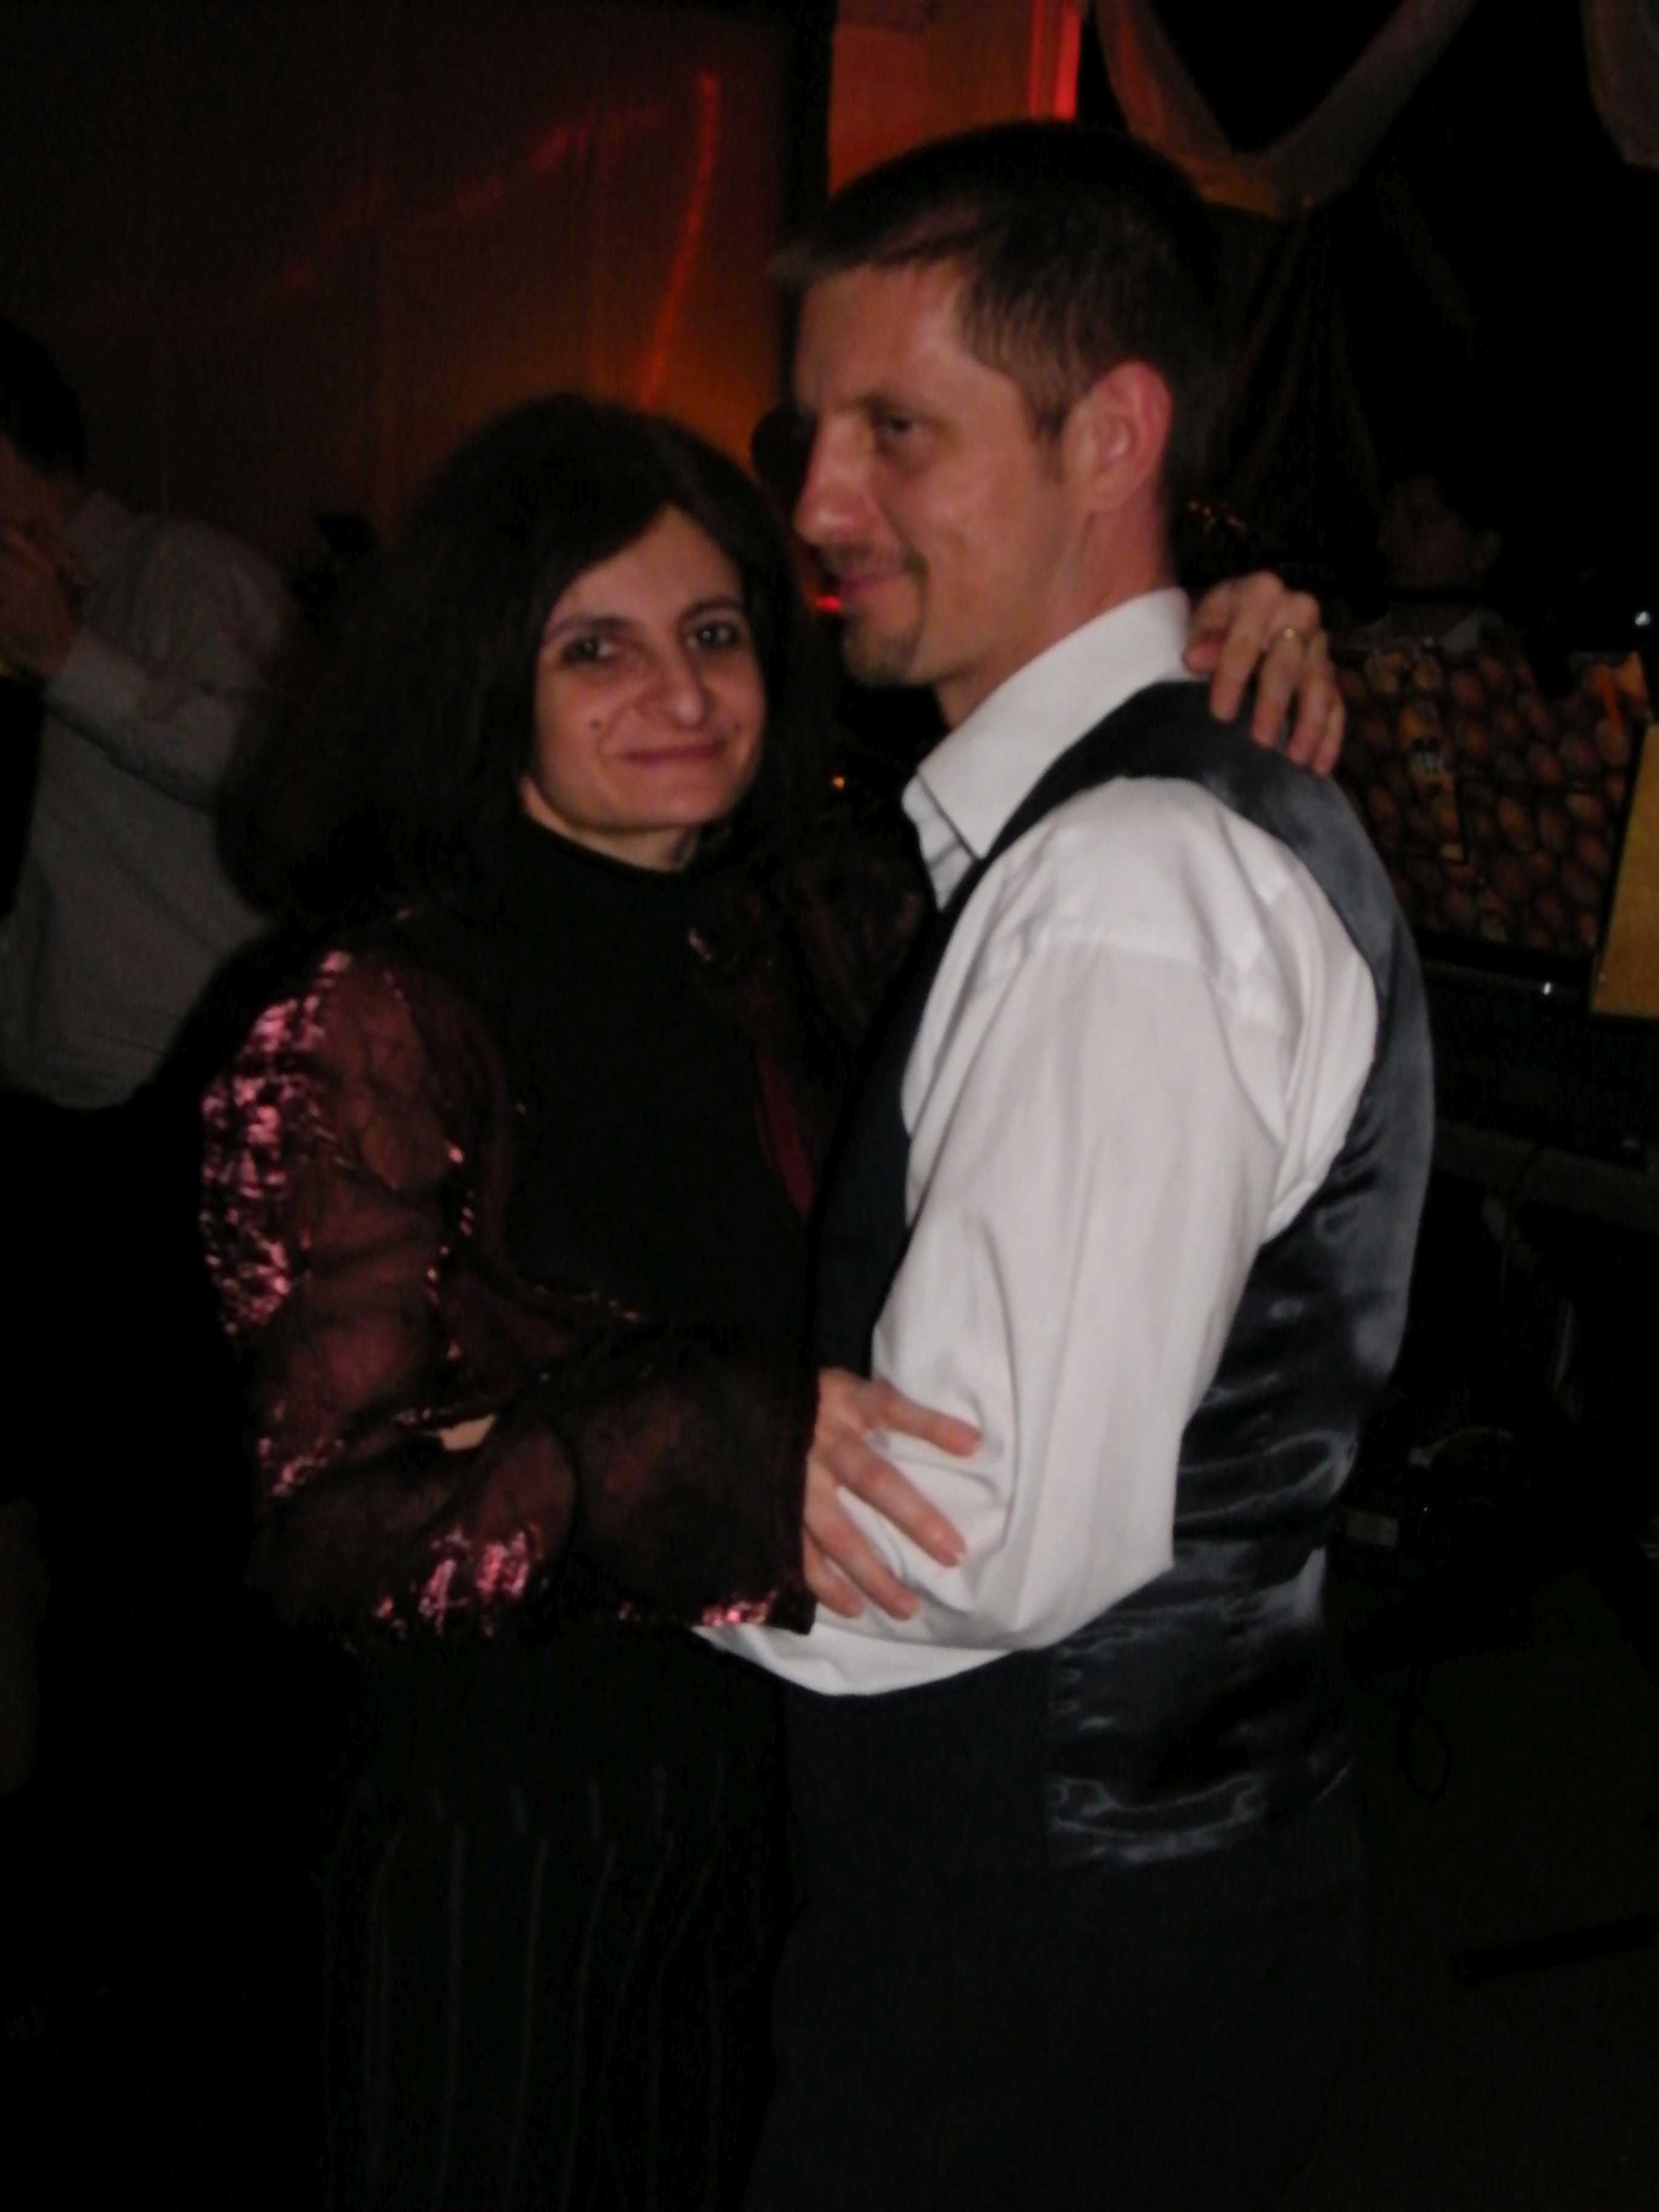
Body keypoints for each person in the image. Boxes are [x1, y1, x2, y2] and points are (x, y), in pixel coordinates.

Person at [201, 392, 1345, 2208]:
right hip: (504, 1831)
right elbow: (328, 1526)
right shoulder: (368, 1017)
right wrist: (698, 1434)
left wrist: (1209, 649)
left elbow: (1055, 853)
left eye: (716, 632)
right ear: (485, 677)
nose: (680, 692)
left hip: (788, 1803)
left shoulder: (813, 930)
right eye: (597, 648)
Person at [708, 124, 1435, 2212]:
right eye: (814, 431)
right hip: (1145, 1899)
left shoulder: (1121, 882)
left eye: (896, 432)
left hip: (1038, 1951)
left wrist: (567, 1476)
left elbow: (972, 1529)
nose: (818, 501)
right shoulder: (1124, 821)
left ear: (1108, 436)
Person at [0, 317, 290, 1108]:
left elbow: (270, 771)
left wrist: (68, 660)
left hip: (177, 1086)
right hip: (38, 1074)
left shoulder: (187, 573)